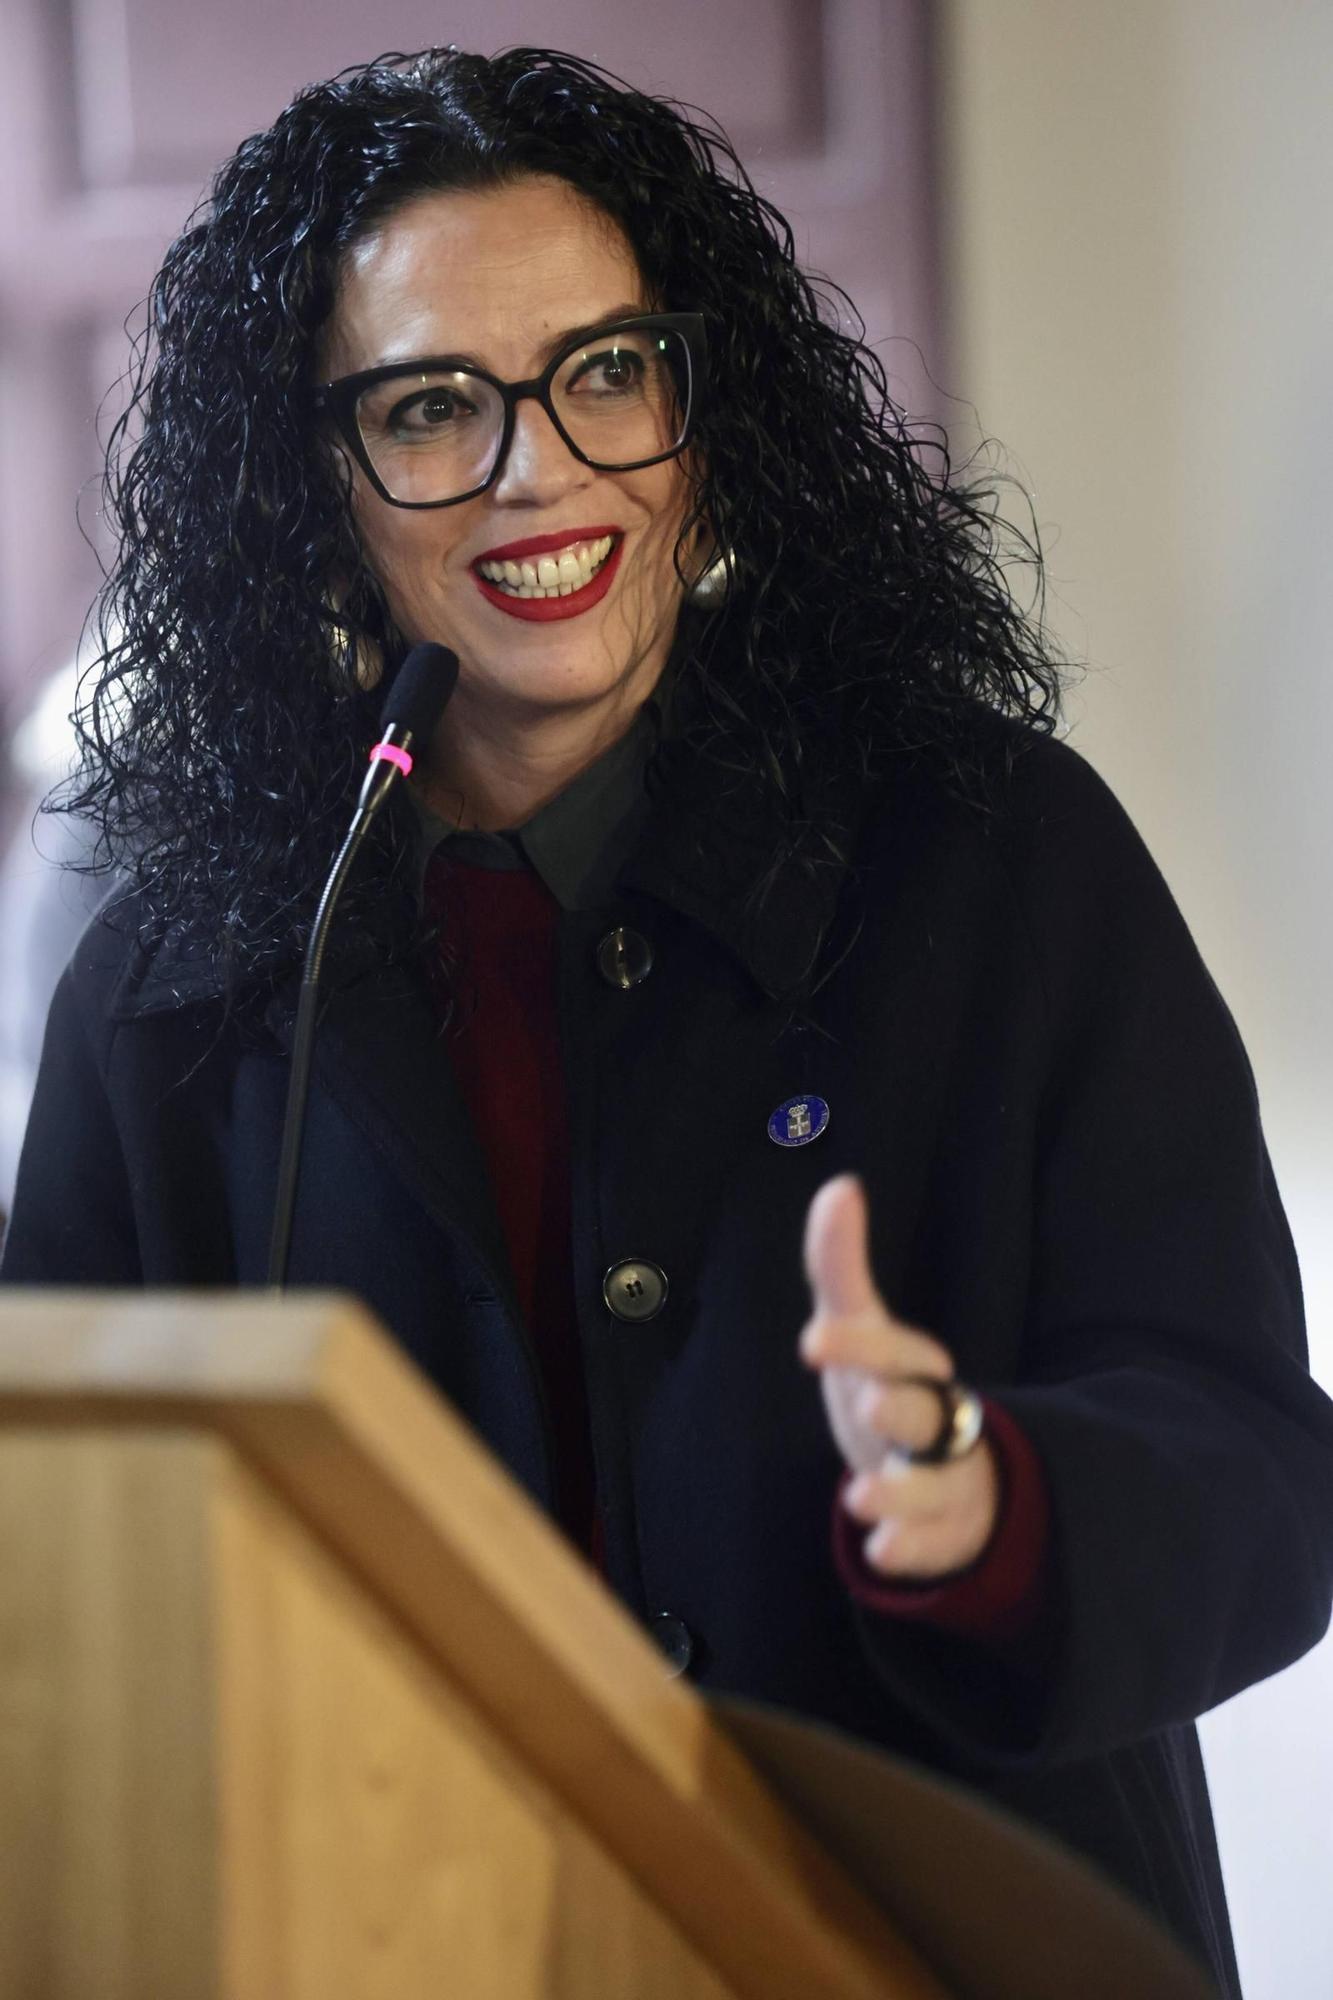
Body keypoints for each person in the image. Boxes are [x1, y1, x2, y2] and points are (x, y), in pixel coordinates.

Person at [2, 48, 1329, 1996]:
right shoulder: (178, 973)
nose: (543, 468)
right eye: (436, 406)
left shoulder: (992, 855)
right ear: (312, 480)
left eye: (607, 370)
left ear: (705, 409)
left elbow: (1261, 1483)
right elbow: (64, 1555)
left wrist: (984, 1495)